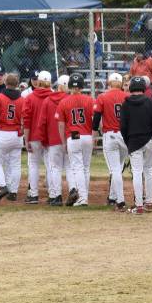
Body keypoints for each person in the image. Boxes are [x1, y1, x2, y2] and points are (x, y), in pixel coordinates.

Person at [120, 76, 152, 214]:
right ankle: (149, 202)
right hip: (149, 139)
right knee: (149, 170)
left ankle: (138, 206)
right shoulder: (150, 101)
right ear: (143, 88)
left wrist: (128, 141)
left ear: (131, 87)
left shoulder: (126, 103)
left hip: (134, 140)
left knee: (137, 172)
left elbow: (123, 127)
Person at [56, 73, 95, 207]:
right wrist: (95, 136)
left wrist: (62, 142)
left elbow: (61, 125)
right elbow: (95, 120)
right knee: (86, 168)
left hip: (73, 136)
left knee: (77, 168)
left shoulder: (64, 101)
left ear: (70, 86)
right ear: (82, 86)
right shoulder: (90, 100)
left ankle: (83, 198)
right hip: (87, 136)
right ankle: (84, 196)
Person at [94, 73, 130, 210]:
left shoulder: (102, 96)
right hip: (125, 136)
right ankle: (113, 197)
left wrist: (93, 135)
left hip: (110, 135)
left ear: (109, 83)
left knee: (115, 170)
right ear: (121, 83)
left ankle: (120, 201)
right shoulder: (127, 97)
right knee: (118, 168)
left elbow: (96, 119)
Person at [0, 73, 26, 201]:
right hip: (17, 134)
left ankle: (3, 186)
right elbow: (25, 118)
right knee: (15, 164)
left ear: (6, 83)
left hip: (3, 132)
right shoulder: (22, 99)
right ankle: (13, 192)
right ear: (17, 84)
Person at [38, 75, 70, 206]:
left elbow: (42, 123)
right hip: (68, 140)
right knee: (69, 168)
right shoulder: (70, 100)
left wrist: (43, 140)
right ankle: (74, 192)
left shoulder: (48, 100)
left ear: (59, 86)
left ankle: (56, 196)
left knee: (54, 168)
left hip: (53, 140)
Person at [21, 71, 53, 204]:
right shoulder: (54, 97)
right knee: (51, 165)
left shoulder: (29, 98)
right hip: (50, 137)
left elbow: (26, 120)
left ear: (38, 82)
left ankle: (33, 194)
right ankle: (53, 194)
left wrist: (26, 138)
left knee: (33, 165)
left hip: (34, 135)